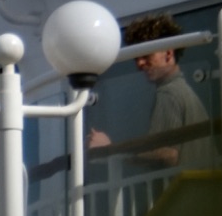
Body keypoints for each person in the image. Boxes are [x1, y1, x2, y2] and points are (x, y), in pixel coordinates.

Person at [90, 13, 215, 169]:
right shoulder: (184, 92)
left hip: (184, 184)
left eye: (146, 56)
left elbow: (167, 154)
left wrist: (111, 150)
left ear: (168, 54)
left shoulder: (168, 93)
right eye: (136, 58)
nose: (139, 64)